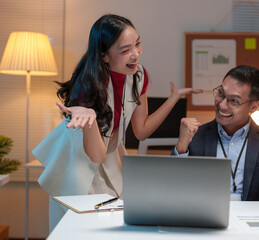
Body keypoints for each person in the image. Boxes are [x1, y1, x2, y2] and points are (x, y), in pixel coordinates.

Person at [32, 14, 201, 231]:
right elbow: (96, 156)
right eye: (125, 50)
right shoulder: (88, 87)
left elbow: (141, 131)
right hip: (80, 163)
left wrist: (173, 98)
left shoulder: (138, 75)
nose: (136, 54)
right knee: (80, 230)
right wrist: (90, 119)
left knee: (116, 226)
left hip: (110, 158)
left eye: (137, 44)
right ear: (104, 56)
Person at [173, 65, 259, 201]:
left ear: (254, 107)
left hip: (249, 218)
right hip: (205, 216)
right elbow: (172, 190)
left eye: (234, 101)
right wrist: (181, 146)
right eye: (221, 94)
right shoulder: (194, 136)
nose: (222, 105)